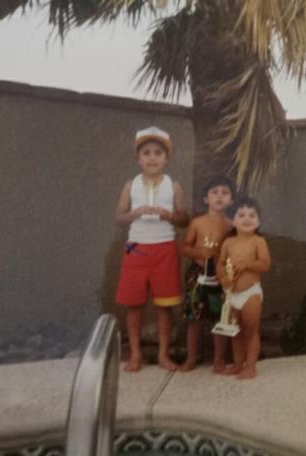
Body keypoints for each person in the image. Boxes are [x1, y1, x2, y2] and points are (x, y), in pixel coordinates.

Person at [114, 126, 189, 372]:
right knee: (133, 305)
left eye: (158, 153)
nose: (152, 158)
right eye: (146, 153)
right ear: (138, 158)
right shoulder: (130, 185)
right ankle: (135, 355)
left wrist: (169, 215)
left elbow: (184, 219)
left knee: (164, 305)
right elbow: (118, 217)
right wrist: (134, 213)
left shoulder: (174, 186)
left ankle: (163, 355)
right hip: (136, 248)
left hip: (164, 247)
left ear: (167, 158)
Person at [180, 176, 236, 372]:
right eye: (214, 192)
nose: (219, 196)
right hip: (197, 275)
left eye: (225, 193)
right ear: (206, 199)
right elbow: (185, 247)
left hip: (220, 276)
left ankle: (219, 360)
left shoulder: (232, 225)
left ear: (231, 200)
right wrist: (200, 254)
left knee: (220, 317)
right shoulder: (197, 222)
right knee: (194, 317)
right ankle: (190, 358)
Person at [216, 197, 271, 379]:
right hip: (232, 293)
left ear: (259, 221)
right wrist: (223, 278)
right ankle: (238, 363)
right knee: (235, 330)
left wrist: (247, 264)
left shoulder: (258, 241)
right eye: (241, 215)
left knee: (251, 330)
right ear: (232, 221)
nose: (247, 218)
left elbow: (265, 265)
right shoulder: (228, 243)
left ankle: (251, 366)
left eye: (252, 215)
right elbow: (220, 263)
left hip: (250, 293)